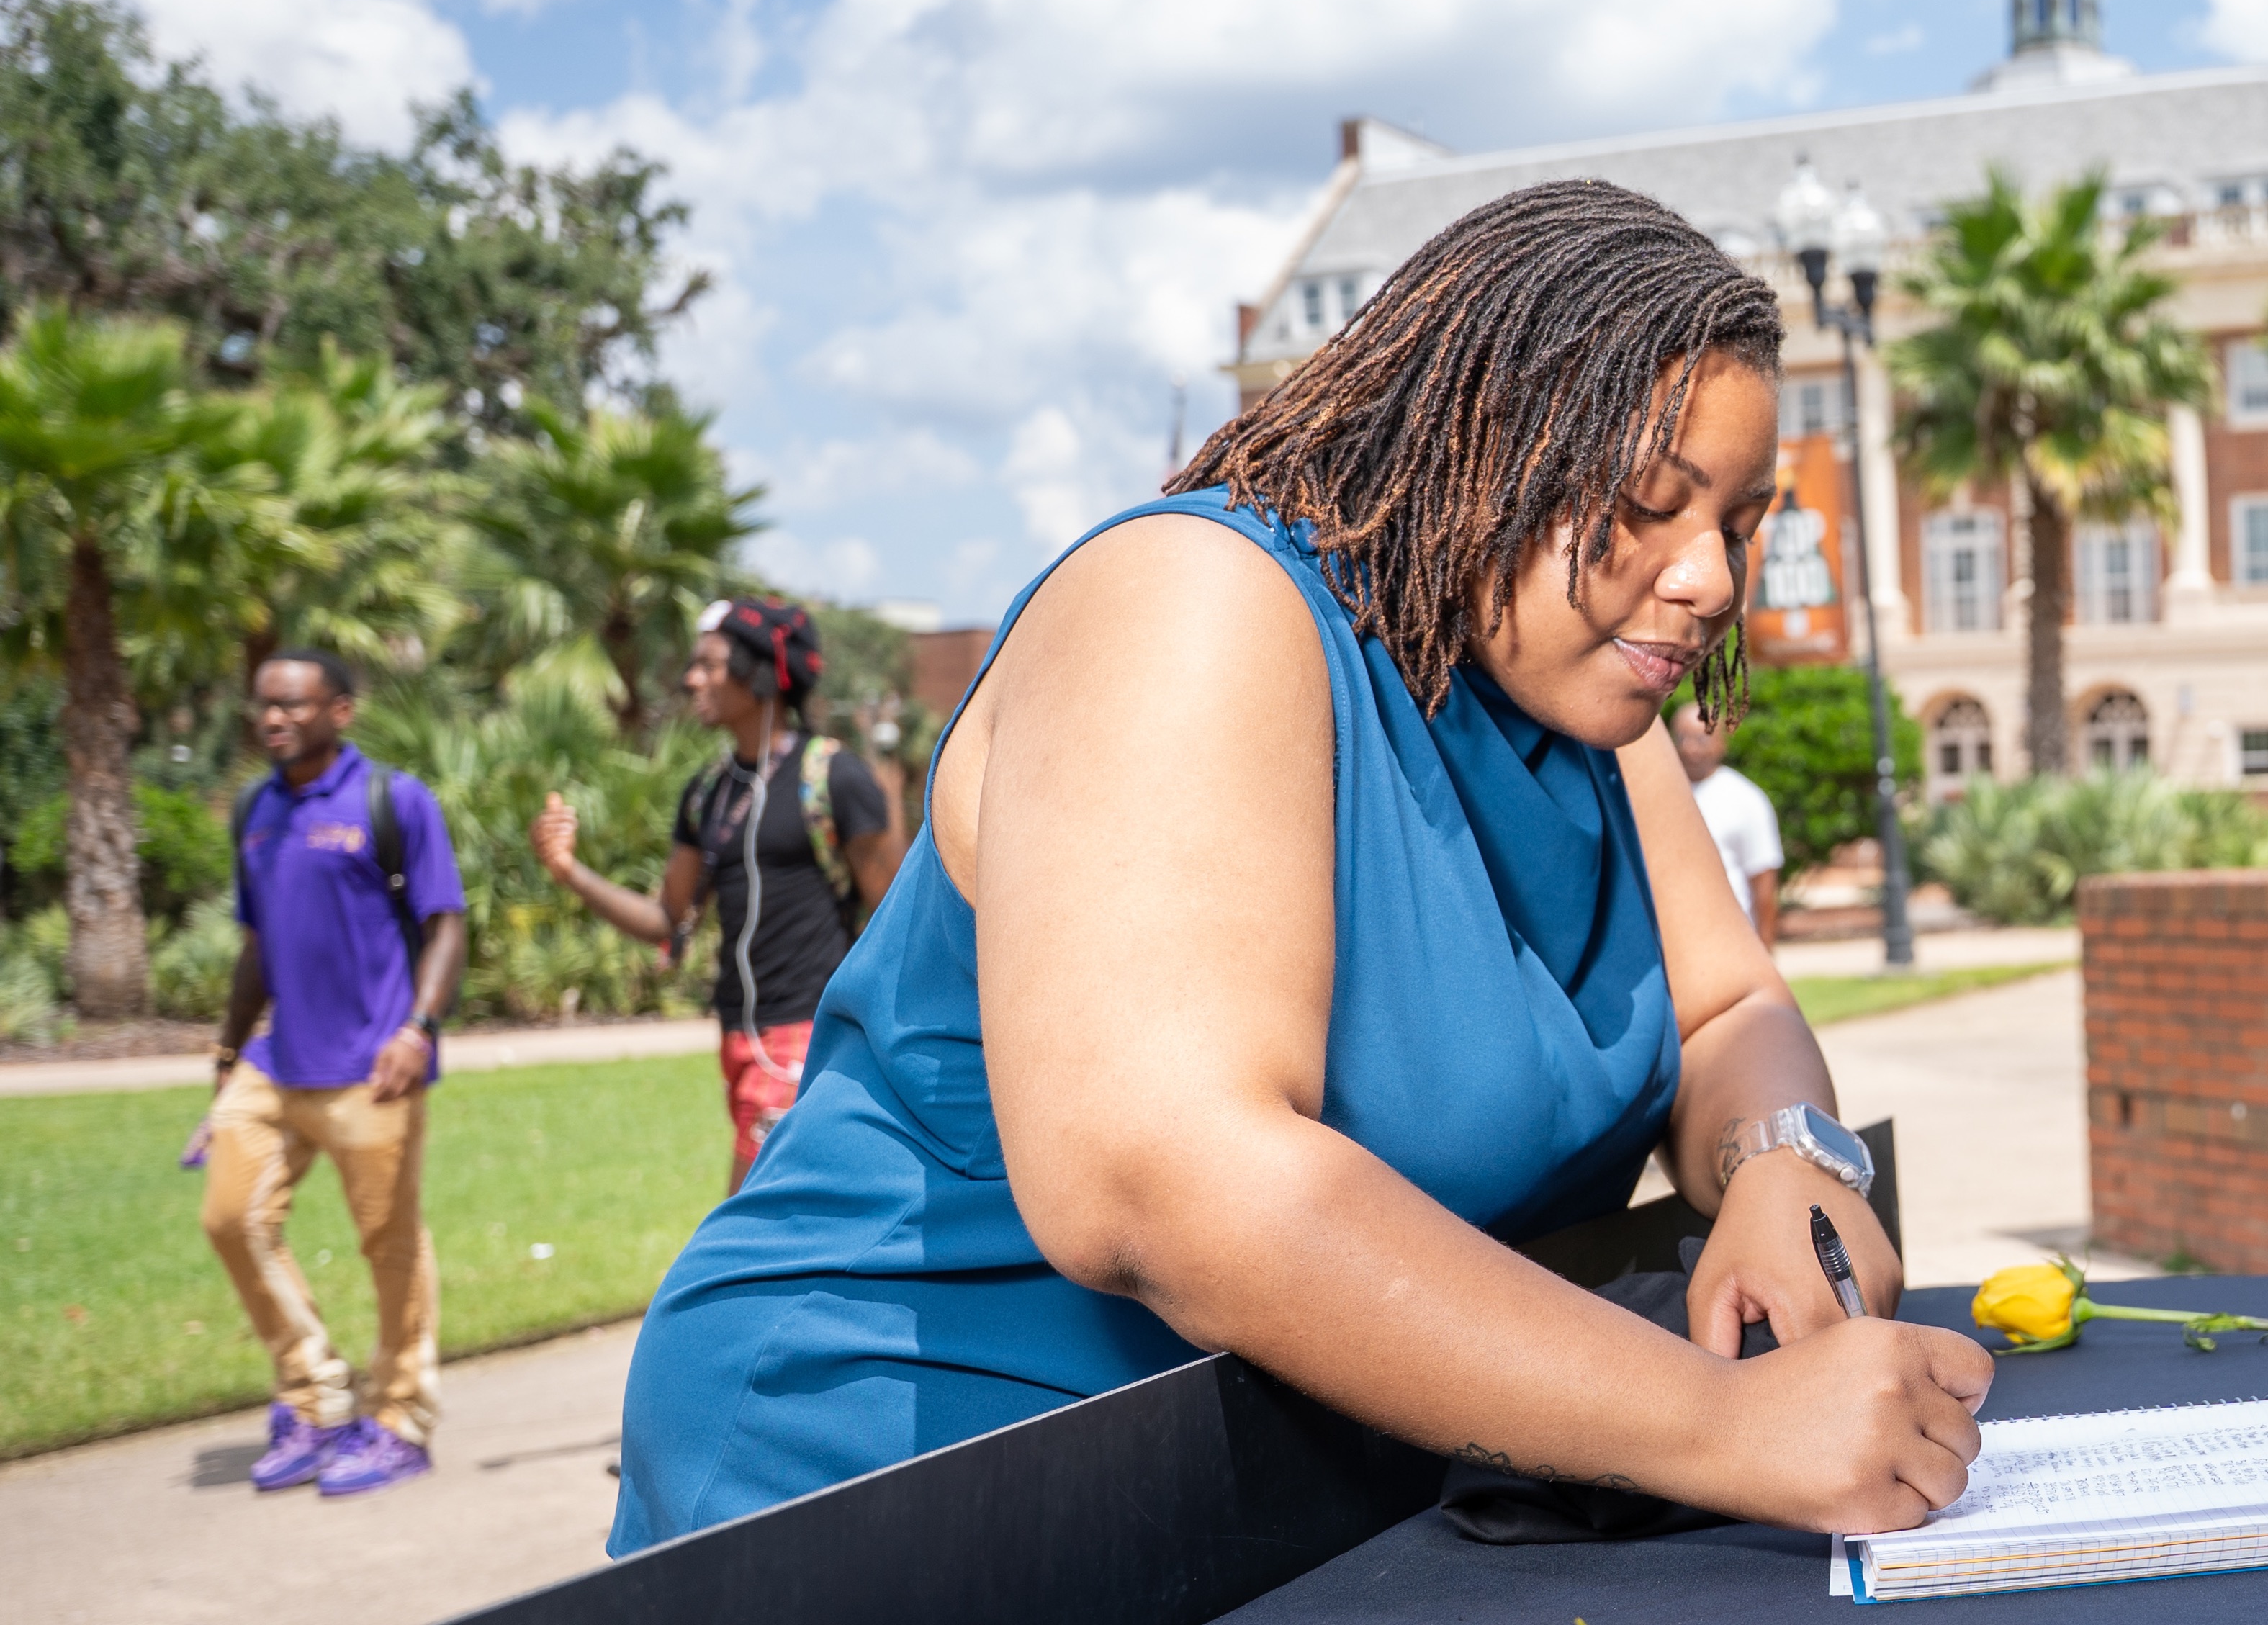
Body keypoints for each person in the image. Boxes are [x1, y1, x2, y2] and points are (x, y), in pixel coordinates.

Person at [607, 179, 1989, 1554]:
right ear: (1480, 445)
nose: (1711, 580)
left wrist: (1784, 1157)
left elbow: (1726, 1009)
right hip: (905, 1467)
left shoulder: (1584, 700)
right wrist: (1722, 1424)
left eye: (1737, 522)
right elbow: (1166, 1184)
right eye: (1646, 504)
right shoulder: (1191, 600)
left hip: (1292, 1484)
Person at [209, 649, 469, 1499]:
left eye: (293, 704)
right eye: (264, 705)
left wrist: (418, 1030)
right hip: (277, 1061)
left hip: (374, 1065)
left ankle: (400, 1418)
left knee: (391, 1245)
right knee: (231, 1219)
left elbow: (445, 923)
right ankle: (315, 1393)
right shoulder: (255, 809)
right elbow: (257, 944)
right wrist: (227, 1054)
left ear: (341, 711)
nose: (274, 718)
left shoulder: (393, 800)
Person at [530, 598, 898, 1187]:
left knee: (752, 1211)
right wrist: (569, 871)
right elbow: (665, 917)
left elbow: (895, 916)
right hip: (737, 1038)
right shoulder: (708, 794)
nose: (691, 679)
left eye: (709, 665)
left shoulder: (835, 778)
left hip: (807, 1033)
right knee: (794, 1212)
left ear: (762, 675)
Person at [1670, 693, 1786, 942]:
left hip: (1730, 939)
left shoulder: (1745, 799)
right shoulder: (1658, 792)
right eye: (1681, 738)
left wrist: (1765, 950)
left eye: (1701, 739)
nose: (1689, 748)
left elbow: (1764, 885)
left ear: (1722, 743)